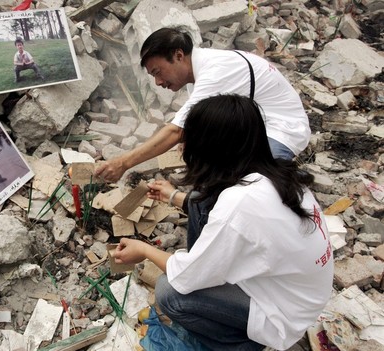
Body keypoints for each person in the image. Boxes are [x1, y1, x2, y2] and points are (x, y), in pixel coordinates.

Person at [112, 94, 334, 351]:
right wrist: (173, 196)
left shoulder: (239, 204)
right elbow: (214, 209)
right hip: (297, 292)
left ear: (209, 147)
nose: (181, 148)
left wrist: (144, 250)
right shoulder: (276, 170)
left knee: (169, 292)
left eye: (188, 140)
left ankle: (240, 344)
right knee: (199, 201)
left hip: (282, 315)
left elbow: (185, 278)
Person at [95, 27, 310, 183]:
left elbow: (175, 132)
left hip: (281, 129)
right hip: (254, 125)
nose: (158, 83)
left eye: (157, 72)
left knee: (255, 185)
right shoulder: (200, 71)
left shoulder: (214, 72)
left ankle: (284, 174)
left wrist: (123, 163)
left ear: (178, 55)